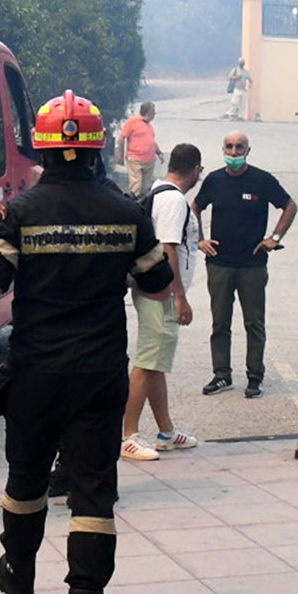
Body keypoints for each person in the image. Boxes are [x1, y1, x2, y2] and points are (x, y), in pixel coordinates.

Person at [0, 90, 173, 594]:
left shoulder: (19, 212)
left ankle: (18, 577)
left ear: (41, 147)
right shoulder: (126, 212)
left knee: (26, 478)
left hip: (35, 371)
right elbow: (159, 286)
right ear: (94, 152)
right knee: (93, 494)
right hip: (98, 374)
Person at [193, 131, 297, 399]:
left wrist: (274, 238)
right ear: (223, 149)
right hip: (219, 263)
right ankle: (221, 375)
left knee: (254, 323)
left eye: (240, 147)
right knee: (220, 323)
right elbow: (195, 207)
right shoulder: (214, 180)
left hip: (252, 265)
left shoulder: (262, 180)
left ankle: (255, 377)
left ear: (248, 151)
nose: (234, 151)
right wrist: (200, 240)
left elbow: (290, 206)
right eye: (229, 146)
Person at [122, 143, 203, 461]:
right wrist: (180, 297)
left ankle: (166, 431)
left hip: (154, 288)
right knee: (147, 361)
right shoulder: (173, 199)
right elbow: (169, 248)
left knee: (156, 363)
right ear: (195, 170)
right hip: (161, 292)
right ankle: (129, 434)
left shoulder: (158, 190)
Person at [117, 102, 161, 197]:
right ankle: (133, 205)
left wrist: (159, 153)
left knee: (146, 189)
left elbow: (151, 141)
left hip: (149, 161)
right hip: (135, 160)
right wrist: (120, 155)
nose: (155, 114)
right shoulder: (133, 122)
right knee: (137, 186)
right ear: (148, 112)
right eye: (153, 111)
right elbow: (121, 137)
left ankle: (143, 207)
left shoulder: (149, 126)